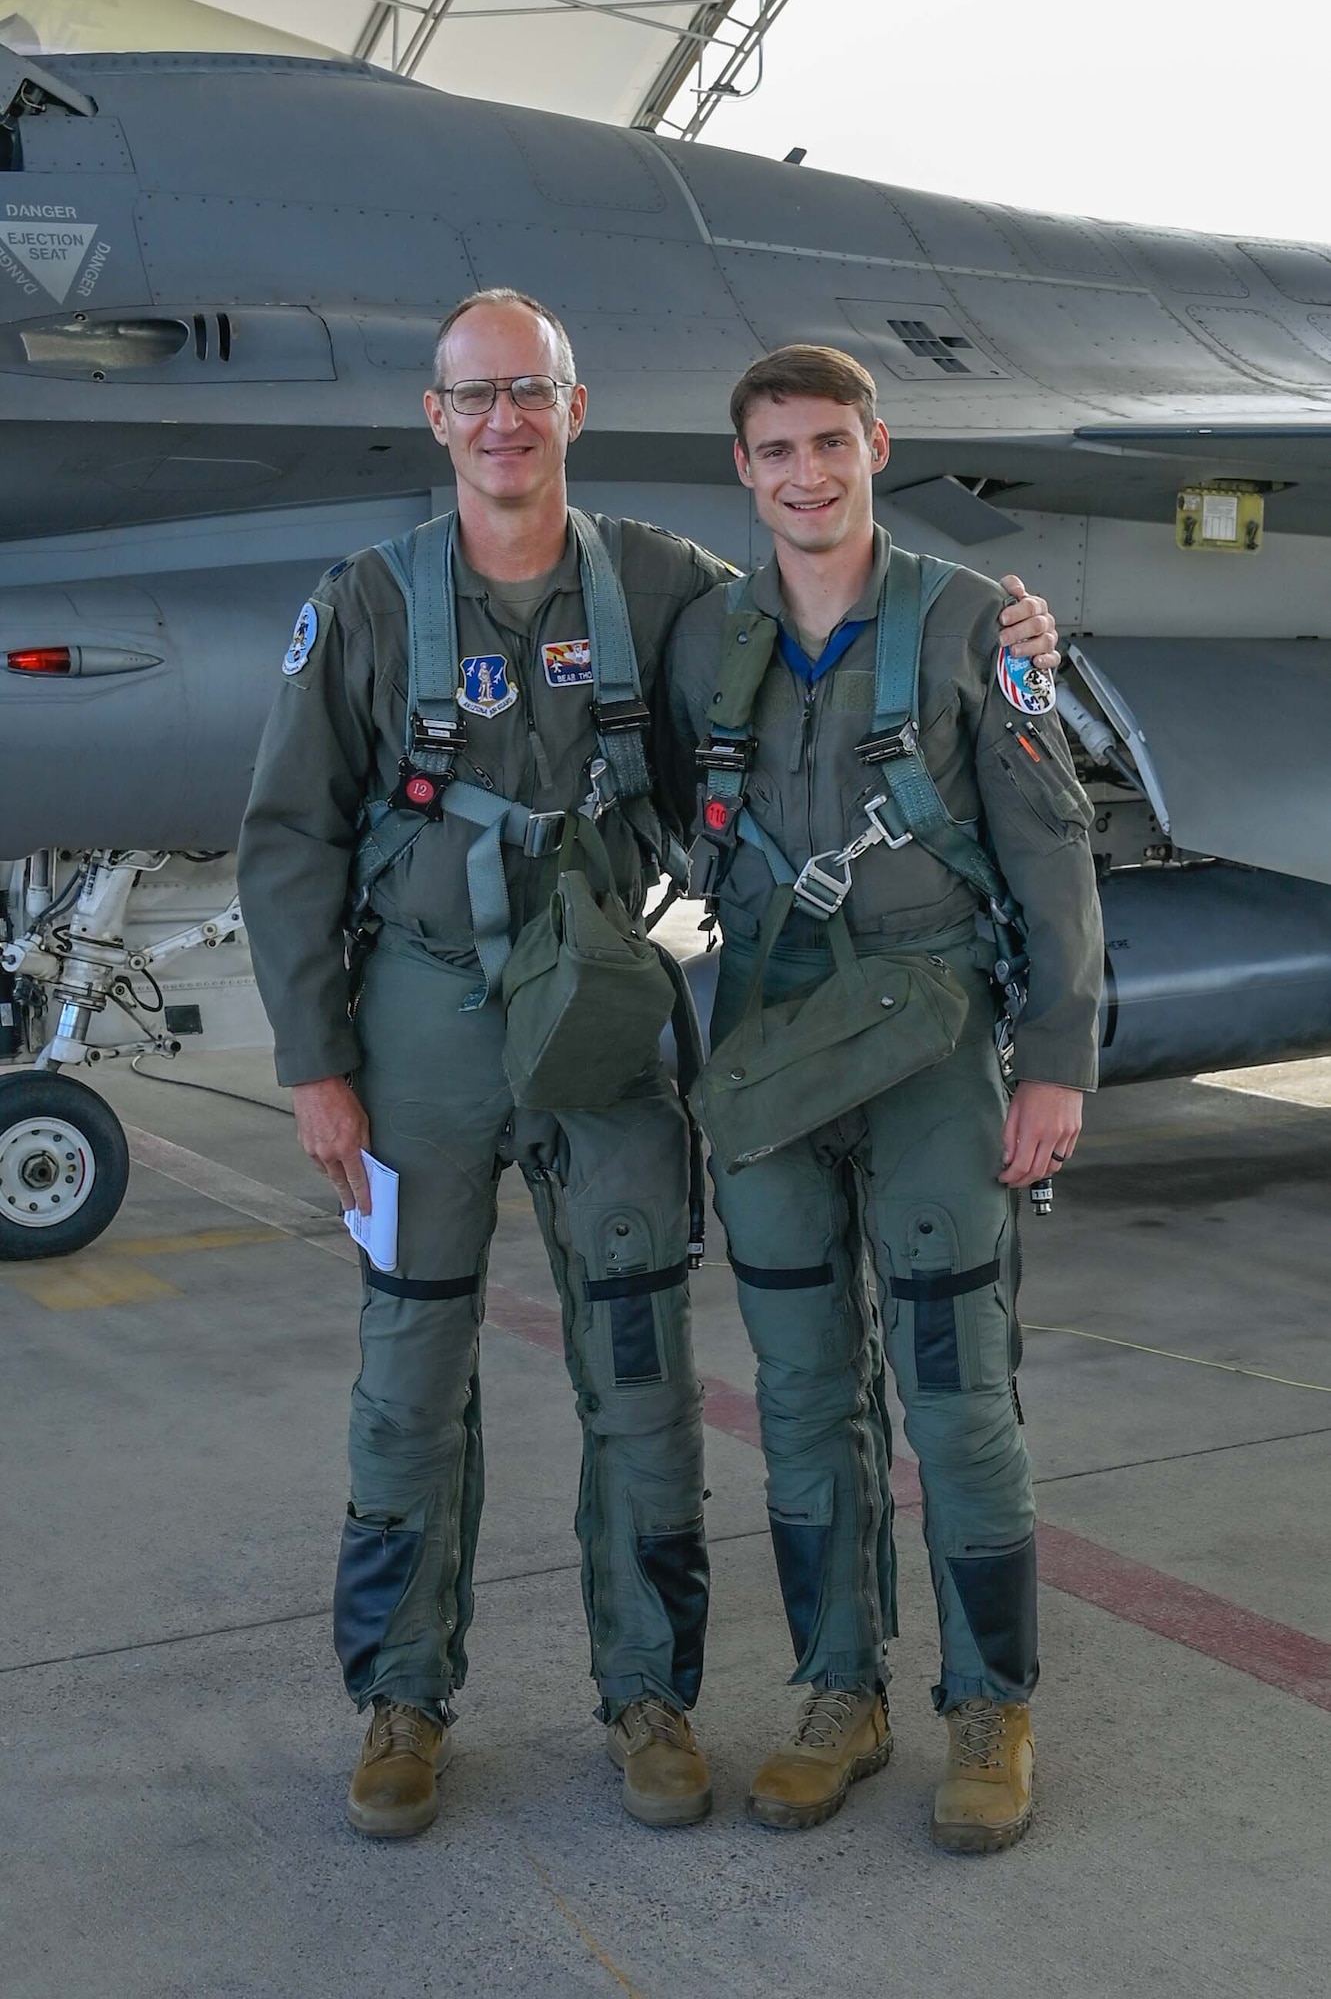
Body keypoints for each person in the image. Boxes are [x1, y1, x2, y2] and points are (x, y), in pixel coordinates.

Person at [237, 292, 1061, 1840]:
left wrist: (1012, 636)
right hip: (418, 1031)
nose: (502, 422)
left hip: (610, 1031)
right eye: (474, 397)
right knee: (408, 1375)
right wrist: (312, 1062)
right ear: (438, 417)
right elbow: (287, 840)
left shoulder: (666, 592)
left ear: (573, 405)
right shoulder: (364, 605)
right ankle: (402, 1703)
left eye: (528, 394)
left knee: (640, 1375)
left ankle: (650, 1697)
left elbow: (820, 650)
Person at [664, 344, 1100, 1851]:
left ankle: (992, 1707)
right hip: (774, 1045)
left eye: (830, 444)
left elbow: (1055, 854)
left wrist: (1054, 1061)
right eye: (776, 449)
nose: (805, 473)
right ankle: (838, 1694)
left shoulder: (976, 624)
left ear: (874, 446)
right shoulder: (709, 639)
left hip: (930, 1043)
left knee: (960, 1397)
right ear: (744, 467)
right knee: (798, 1399)